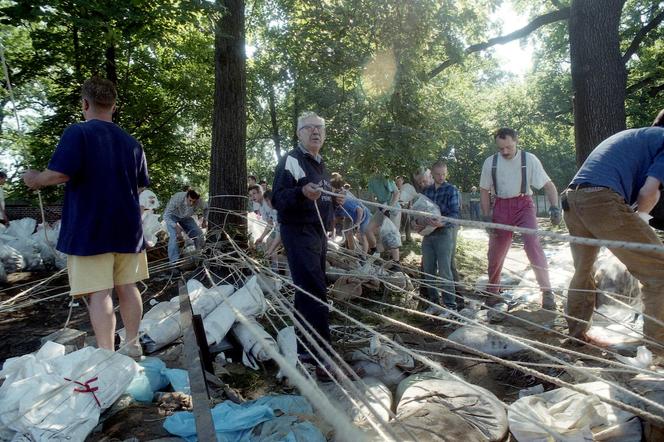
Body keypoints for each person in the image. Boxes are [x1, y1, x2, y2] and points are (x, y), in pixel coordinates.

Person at [22, 77, 149, 358]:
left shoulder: (78, 133)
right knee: (128, 287)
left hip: (90, 230)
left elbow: (59, 173)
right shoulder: (133, 143)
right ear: (113, 106)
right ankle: (132, 344)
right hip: (128, 229)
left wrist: (35, 180)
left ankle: (106, 354)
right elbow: (139, 185)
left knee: (100, 293)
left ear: (85, 103)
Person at [563, 110, 664, 356]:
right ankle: (658, 350)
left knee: (583, 270)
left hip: (573, 198)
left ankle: (575, 336)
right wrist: (639, 220)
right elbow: (649, 193)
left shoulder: (636, 136)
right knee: (659, 271)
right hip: (602, 200)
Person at [272, 111, 343, 379]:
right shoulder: (291, 160)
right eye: (309, 128)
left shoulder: (320, 164)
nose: (315, 132)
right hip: (298, 232)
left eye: (320, 128)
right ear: (299, 133)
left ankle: (305, 351)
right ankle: (323, 358)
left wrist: (333, 201)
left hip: (317, 234)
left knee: (309, 290)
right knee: (313, 290)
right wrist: (301, 192)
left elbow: (320, 198)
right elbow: (278, 199)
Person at [479, 128, 560, 311]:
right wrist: (486, 215)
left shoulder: (529, 159)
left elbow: (548, 185)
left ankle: (547, 292)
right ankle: (493, 291)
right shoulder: (490, 163)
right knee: (495, 251)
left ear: (516, 141)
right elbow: (484, 190)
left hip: (524, 204)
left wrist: (555, 207)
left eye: (508, 147)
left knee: (532, 244)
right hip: (500, 205)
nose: (505, 151)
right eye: (501, 149)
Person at [417, 161, 460, 316]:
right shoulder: (427, 191)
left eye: (444, 174)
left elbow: (455, 215)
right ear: (432, 174)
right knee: (428, 269)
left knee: (444, 270)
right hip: (428, 234)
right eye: (438, 174)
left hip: (444, 233)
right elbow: (420, 211)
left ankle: (450, 306)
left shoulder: (451, 190)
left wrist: (442, 222)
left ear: (446, 173)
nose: (441, 177)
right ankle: (433, 303)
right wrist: (418, 223)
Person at [330, 173, 374, 254]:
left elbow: (359, 210)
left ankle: (364, 257)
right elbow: (334, 220)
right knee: (348, 234)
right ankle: (352, 253)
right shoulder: (332, 206)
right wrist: (333, 233)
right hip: (349, 216)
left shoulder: (346, 201)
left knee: (362, 234)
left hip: (363, 214)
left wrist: (357, 224)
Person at [164, 189, 208, 265]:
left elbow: (206, 208)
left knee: (198, 234)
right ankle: (174, 263)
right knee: (173, 236)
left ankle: (199, 255)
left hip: (186, 218)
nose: (191, 203)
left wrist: (204, 221)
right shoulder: (177, 197)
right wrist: (175, 226)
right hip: (172, 216)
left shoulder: (199, 201)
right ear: (186, 196)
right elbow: (166, 215)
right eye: (190, 200)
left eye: (194, 202)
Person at [367, 173, 400, 261]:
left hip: (393, 209)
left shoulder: (386, 178)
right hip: (381, 208)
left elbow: (396, 193)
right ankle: (375, 253)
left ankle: (397, 264)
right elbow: (371, 197)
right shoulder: (370, 180)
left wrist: (389, 207)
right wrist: (378, 206)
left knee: (392, 236)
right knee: (368, 229)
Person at [396, 175, 417, 242]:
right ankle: (399, 237)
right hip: (398, 207)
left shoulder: (406, 187)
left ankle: (408, 237)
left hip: (406, 206)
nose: (399, 182)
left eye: (400, 180)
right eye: (397, 181)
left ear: (402, 181)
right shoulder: (395, 188)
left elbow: (410, 197)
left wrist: (410, 205)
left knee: (407, 221)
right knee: (399, 222)